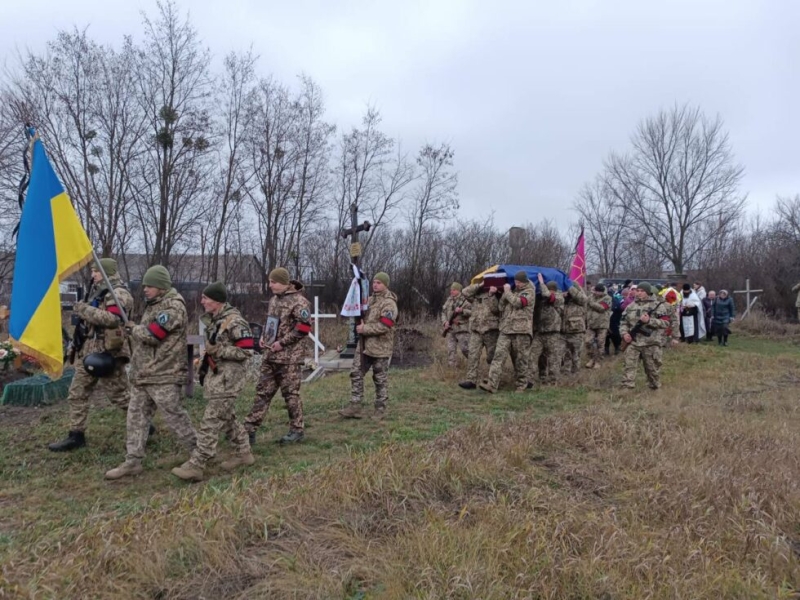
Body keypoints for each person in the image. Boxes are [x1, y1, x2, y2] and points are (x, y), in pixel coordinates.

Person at [105, 266, 197, 480]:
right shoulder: (153, 305)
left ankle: (199, 453)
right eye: (144, 285)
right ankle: (132, 461)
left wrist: (132, 328)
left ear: (162, 286)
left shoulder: (173, 307)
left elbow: (153, 335)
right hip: (144, 374)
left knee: (175, 417)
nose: (145, 289)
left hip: (164, 373)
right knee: (135, 417)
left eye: (150, 286)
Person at [172, 283, 256, 482]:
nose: (202, 301)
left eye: (205, 298)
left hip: (229, 380)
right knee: (227, 417)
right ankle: (244, 453)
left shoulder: (235, 322)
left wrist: (218, 351)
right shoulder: (216, 320)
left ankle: (197, 463)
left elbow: (247, 351)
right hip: (218, 378)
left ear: (217, 301)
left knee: (211, 420)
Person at [48, 258, 134, 452]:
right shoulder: (97, 292)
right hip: (88, 352)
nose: (93, 274)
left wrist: (84, 309)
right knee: (77, 393)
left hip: (108, 354)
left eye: (96, 271)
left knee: (120, 397)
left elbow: (113, 319)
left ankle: (143, 425)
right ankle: (76, 436)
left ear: (107, 273)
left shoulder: (118, 293)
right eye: (93, 271)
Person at [245, 268, 311, 443]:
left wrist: (282, 343)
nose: (270, 285)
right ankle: (249, 430)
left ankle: (297, 430)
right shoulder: (274, 300)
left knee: (290, 394)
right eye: (270, 281)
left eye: (273, 282)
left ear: (284, 283)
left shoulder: (299, 302)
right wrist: (263, 338)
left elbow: (304, 328)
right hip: (270, 355)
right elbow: (271, 323)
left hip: (289, 358)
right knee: (262, 393)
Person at [340, 272, 398, 420]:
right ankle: (355, 406)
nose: (375, 285)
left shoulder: (389, 303)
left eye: (379, 282)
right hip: (364, 346)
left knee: (380, 379)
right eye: (374, 282)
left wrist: (364, 329)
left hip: (381, 347)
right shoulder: (368, 300)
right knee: (356, 373)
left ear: (386, 284)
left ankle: (380, 409)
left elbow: (385, 325)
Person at [479, 271, 534, 393]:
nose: (516, 284)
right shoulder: (512, 292)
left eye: (519, 282)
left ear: (524, 282)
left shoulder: (529, 292)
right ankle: (492, 384)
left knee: (521, 359)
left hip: (521, 330)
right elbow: (499, 308)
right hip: (506, 330)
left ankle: (521, 385)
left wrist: (508, 292)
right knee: (498, 357)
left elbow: (518, 303)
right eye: (515, 282)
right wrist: (494, 295)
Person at [620, 282, 670, 389]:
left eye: (642, 291)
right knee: (629, 365)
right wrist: (624, 334)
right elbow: (623, 323)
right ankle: (627, 387)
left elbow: (665, 323)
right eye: (638, 290)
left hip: (651, 342)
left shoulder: (657, 306)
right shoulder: (630, 306)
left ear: (648, 292)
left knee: (651, 369)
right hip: (633, 342)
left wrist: (649, 321)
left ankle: (654, 386)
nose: (639, 293)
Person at [458, 279, 501, 389]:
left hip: (491, 330)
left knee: (492, 357)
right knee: (473, 355)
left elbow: (496, 309)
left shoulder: (496, 293)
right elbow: (464, 291)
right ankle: (471, 380)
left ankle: (493, 380)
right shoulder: (475, 295)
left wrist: (492, 294)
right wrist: (481, 284)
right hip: (476, 329)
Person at [531, 274, 564, 385]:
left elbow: (547, 295)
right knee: (532, 356)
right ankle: (530, 380)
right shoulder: (541, 299)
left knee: (554, 358)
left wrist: (541, 283)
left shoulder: (558, 297)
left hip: (552, 333)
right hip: (539, 333)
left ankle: (553, 381)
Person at [441, 282, 471, 367]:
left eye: (454, 290)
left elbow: (473, 312)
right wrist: (445, 322)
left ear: (459, 290)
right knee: (451, 350)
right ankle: (452, 369)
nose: (451, 291)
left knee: (465, 349)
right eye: (451, 290)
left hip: (462, 329)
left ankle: (473, 364)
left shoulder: (466, 300)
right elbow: (443, 312)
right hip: (450, 329)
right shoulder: (449, 300)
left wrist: (462, 311)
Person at [561, 283, 587, 375]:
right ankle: (566, 372)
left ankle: (576, 373)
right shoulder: (564, 302)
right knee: (566, 354)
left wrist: (570, 288)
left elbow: (583, 298)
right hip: (564, 331)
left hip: (577, 331)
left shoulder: (579, 301)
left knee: (576, 354)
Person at [585, 284, 611, 369]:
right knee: (588, 342)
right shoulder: (591, 297)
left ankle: (598, 361)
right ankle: (591, 358)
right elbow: (585, 302)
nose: (596, 293)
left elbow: (601, 308)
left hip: (602, 325)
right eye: (596, 291)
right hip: (591, 324)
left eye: (599, 291)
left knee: (600, 343)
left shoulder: (607, 298)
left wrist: (591, 303)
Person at [605, 286, 624, 356]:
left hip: (614, 321)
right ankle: (606, 349)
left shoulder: (616, 302)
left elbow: (619, 310)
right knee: (606, 336)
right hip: (604, 321)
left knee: (615, 335)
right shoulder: (603, 300)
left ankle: (617, 348)